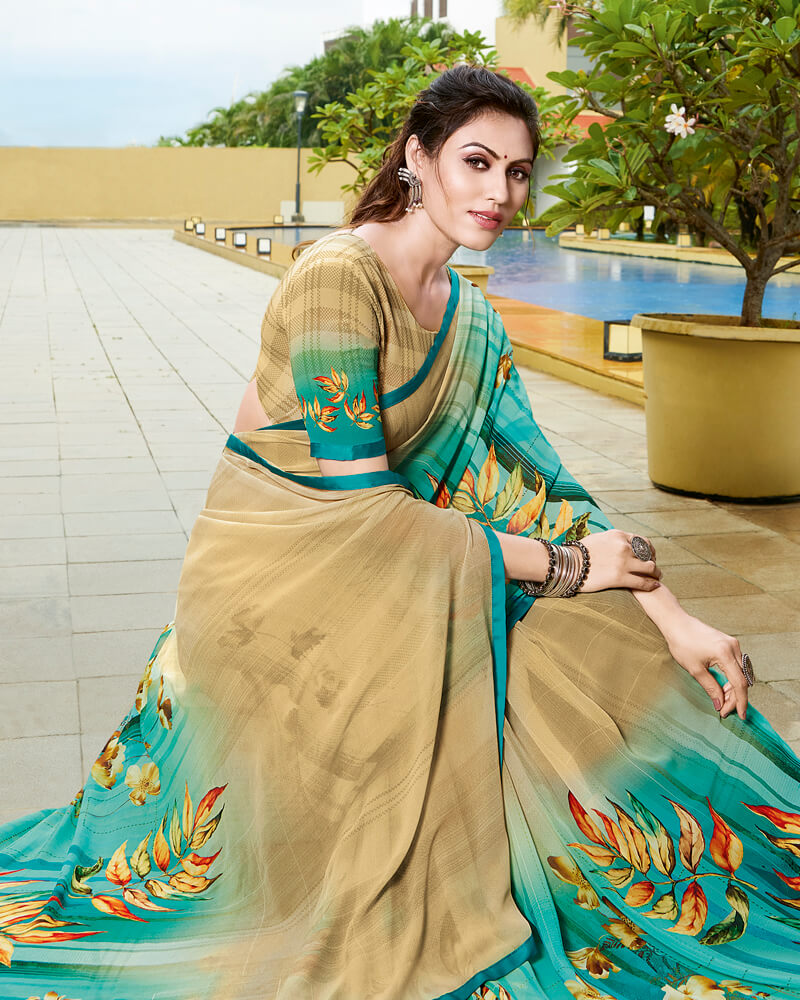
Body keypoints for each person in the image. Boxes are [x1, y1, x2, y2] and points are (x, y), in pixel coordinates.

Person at [1, 64, 798, 1000]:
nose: (501, 192)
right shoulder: (339, 278)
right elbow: (363, 508)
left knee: (612, 640)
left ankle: (696, 878)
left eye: (518, 172)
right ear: (418, 158)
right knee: (552, 637)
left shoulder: (471, 317)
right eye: (477, 162)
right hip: (280, 581)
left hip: (398, 559)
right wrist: (568, 567)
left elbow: (543, 487)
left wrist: (672, 615)